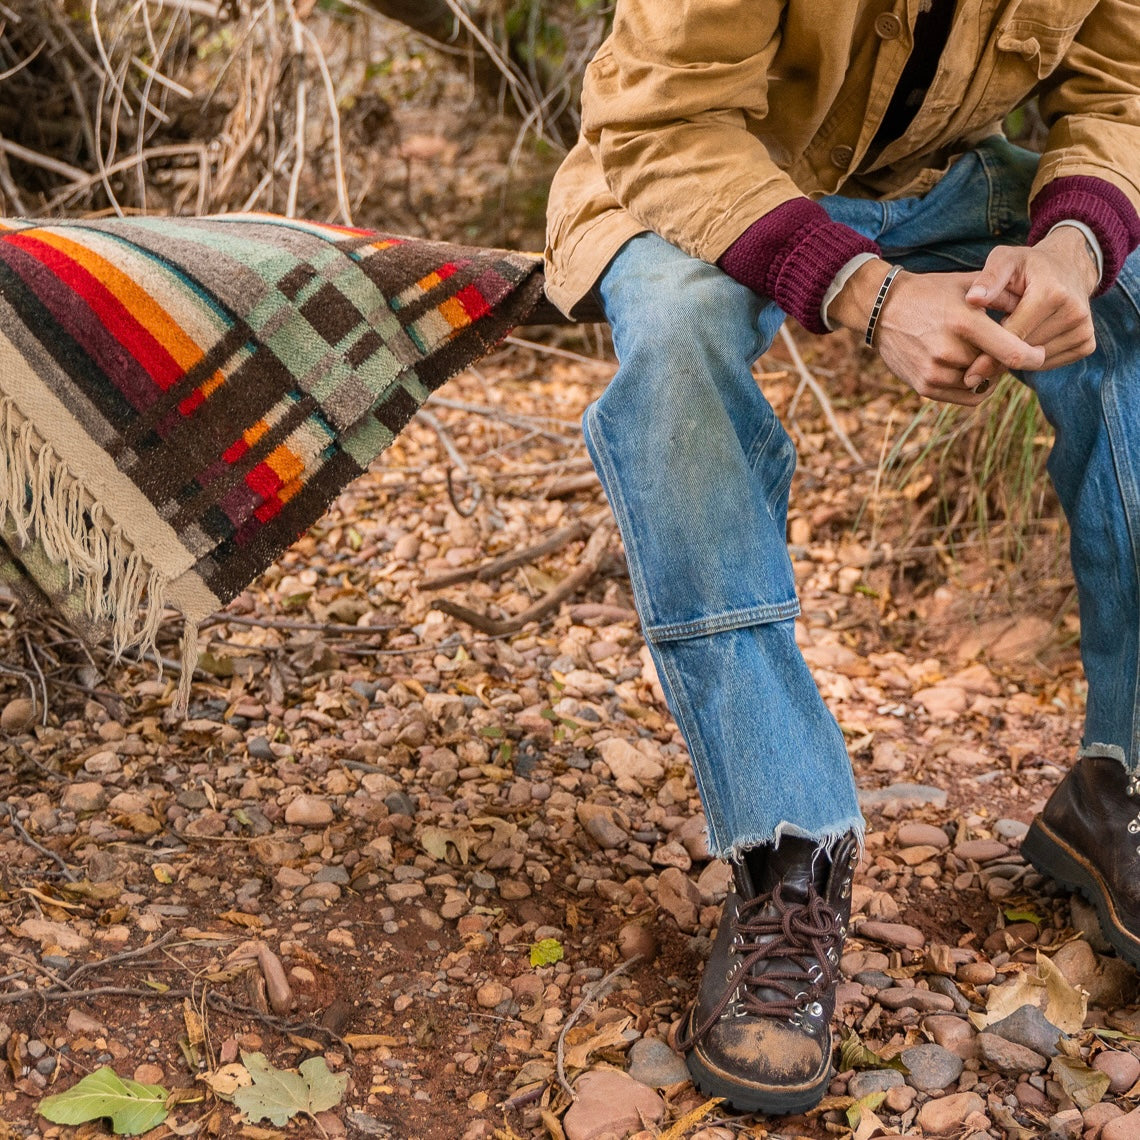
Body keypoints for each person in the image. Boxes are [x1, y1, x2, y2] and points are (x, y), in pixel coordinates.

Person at [543, 0, 1140, 1117]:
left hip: (943, 181)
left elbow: (1120, 90)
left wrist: (1075, 242)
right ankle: (787, 850)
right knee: (677, 356)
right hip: (691, 181)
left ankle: (1124, 785)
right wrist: (867, 294)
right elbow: (665, 122)